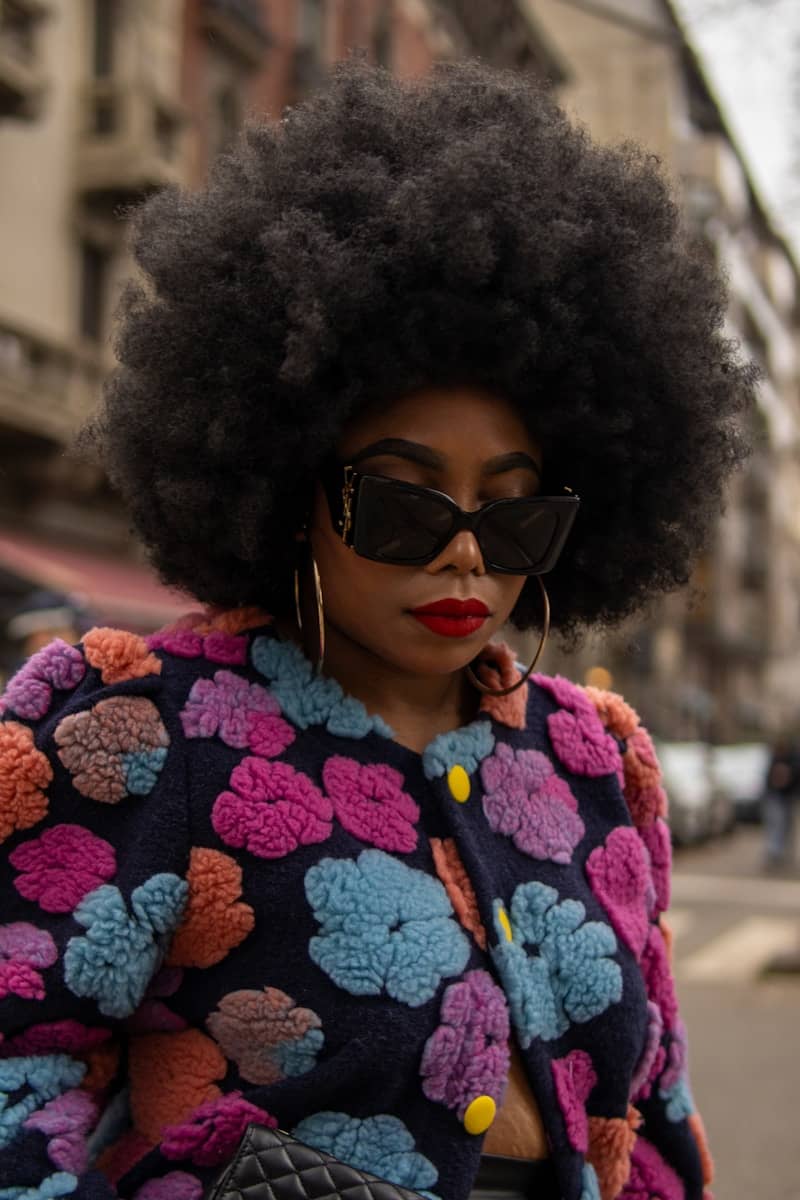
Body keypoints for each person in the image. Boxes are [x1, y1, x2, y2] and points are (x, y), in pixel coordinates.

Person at [0, 59, 752, 1200]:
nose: (463, 552)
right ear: (287, 483)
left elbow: (654, 1112)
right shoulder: (127, 735)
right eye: (402, 501)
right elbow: (18, 1089)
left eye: (513, 511)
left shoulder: (599, 760)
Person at [762, 733, 800, 870]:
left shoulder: (794, 758)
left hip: (788, 797)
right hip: (775, 797)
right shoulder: (774, 758)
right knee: (776, 824)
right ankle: (775, 854)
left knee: (786, 826)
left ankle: (782, 854)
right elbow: (767, 778)